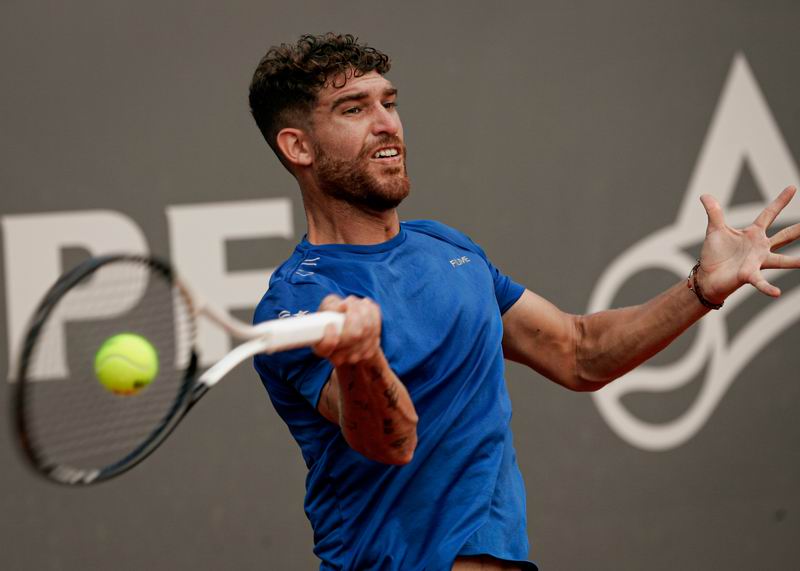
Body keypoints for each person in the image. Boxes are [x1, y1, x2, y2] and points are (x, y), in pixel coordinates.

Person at [249, 33, 800, 571]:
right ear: (299, 147)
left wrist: (701, 288)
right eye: (354, 109)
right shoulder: (297, 303)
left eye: (388, 103)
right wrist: (361, 360)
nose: (387, 123)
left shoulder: (445, 246)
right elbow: (389, 442)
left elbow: (579, 352)